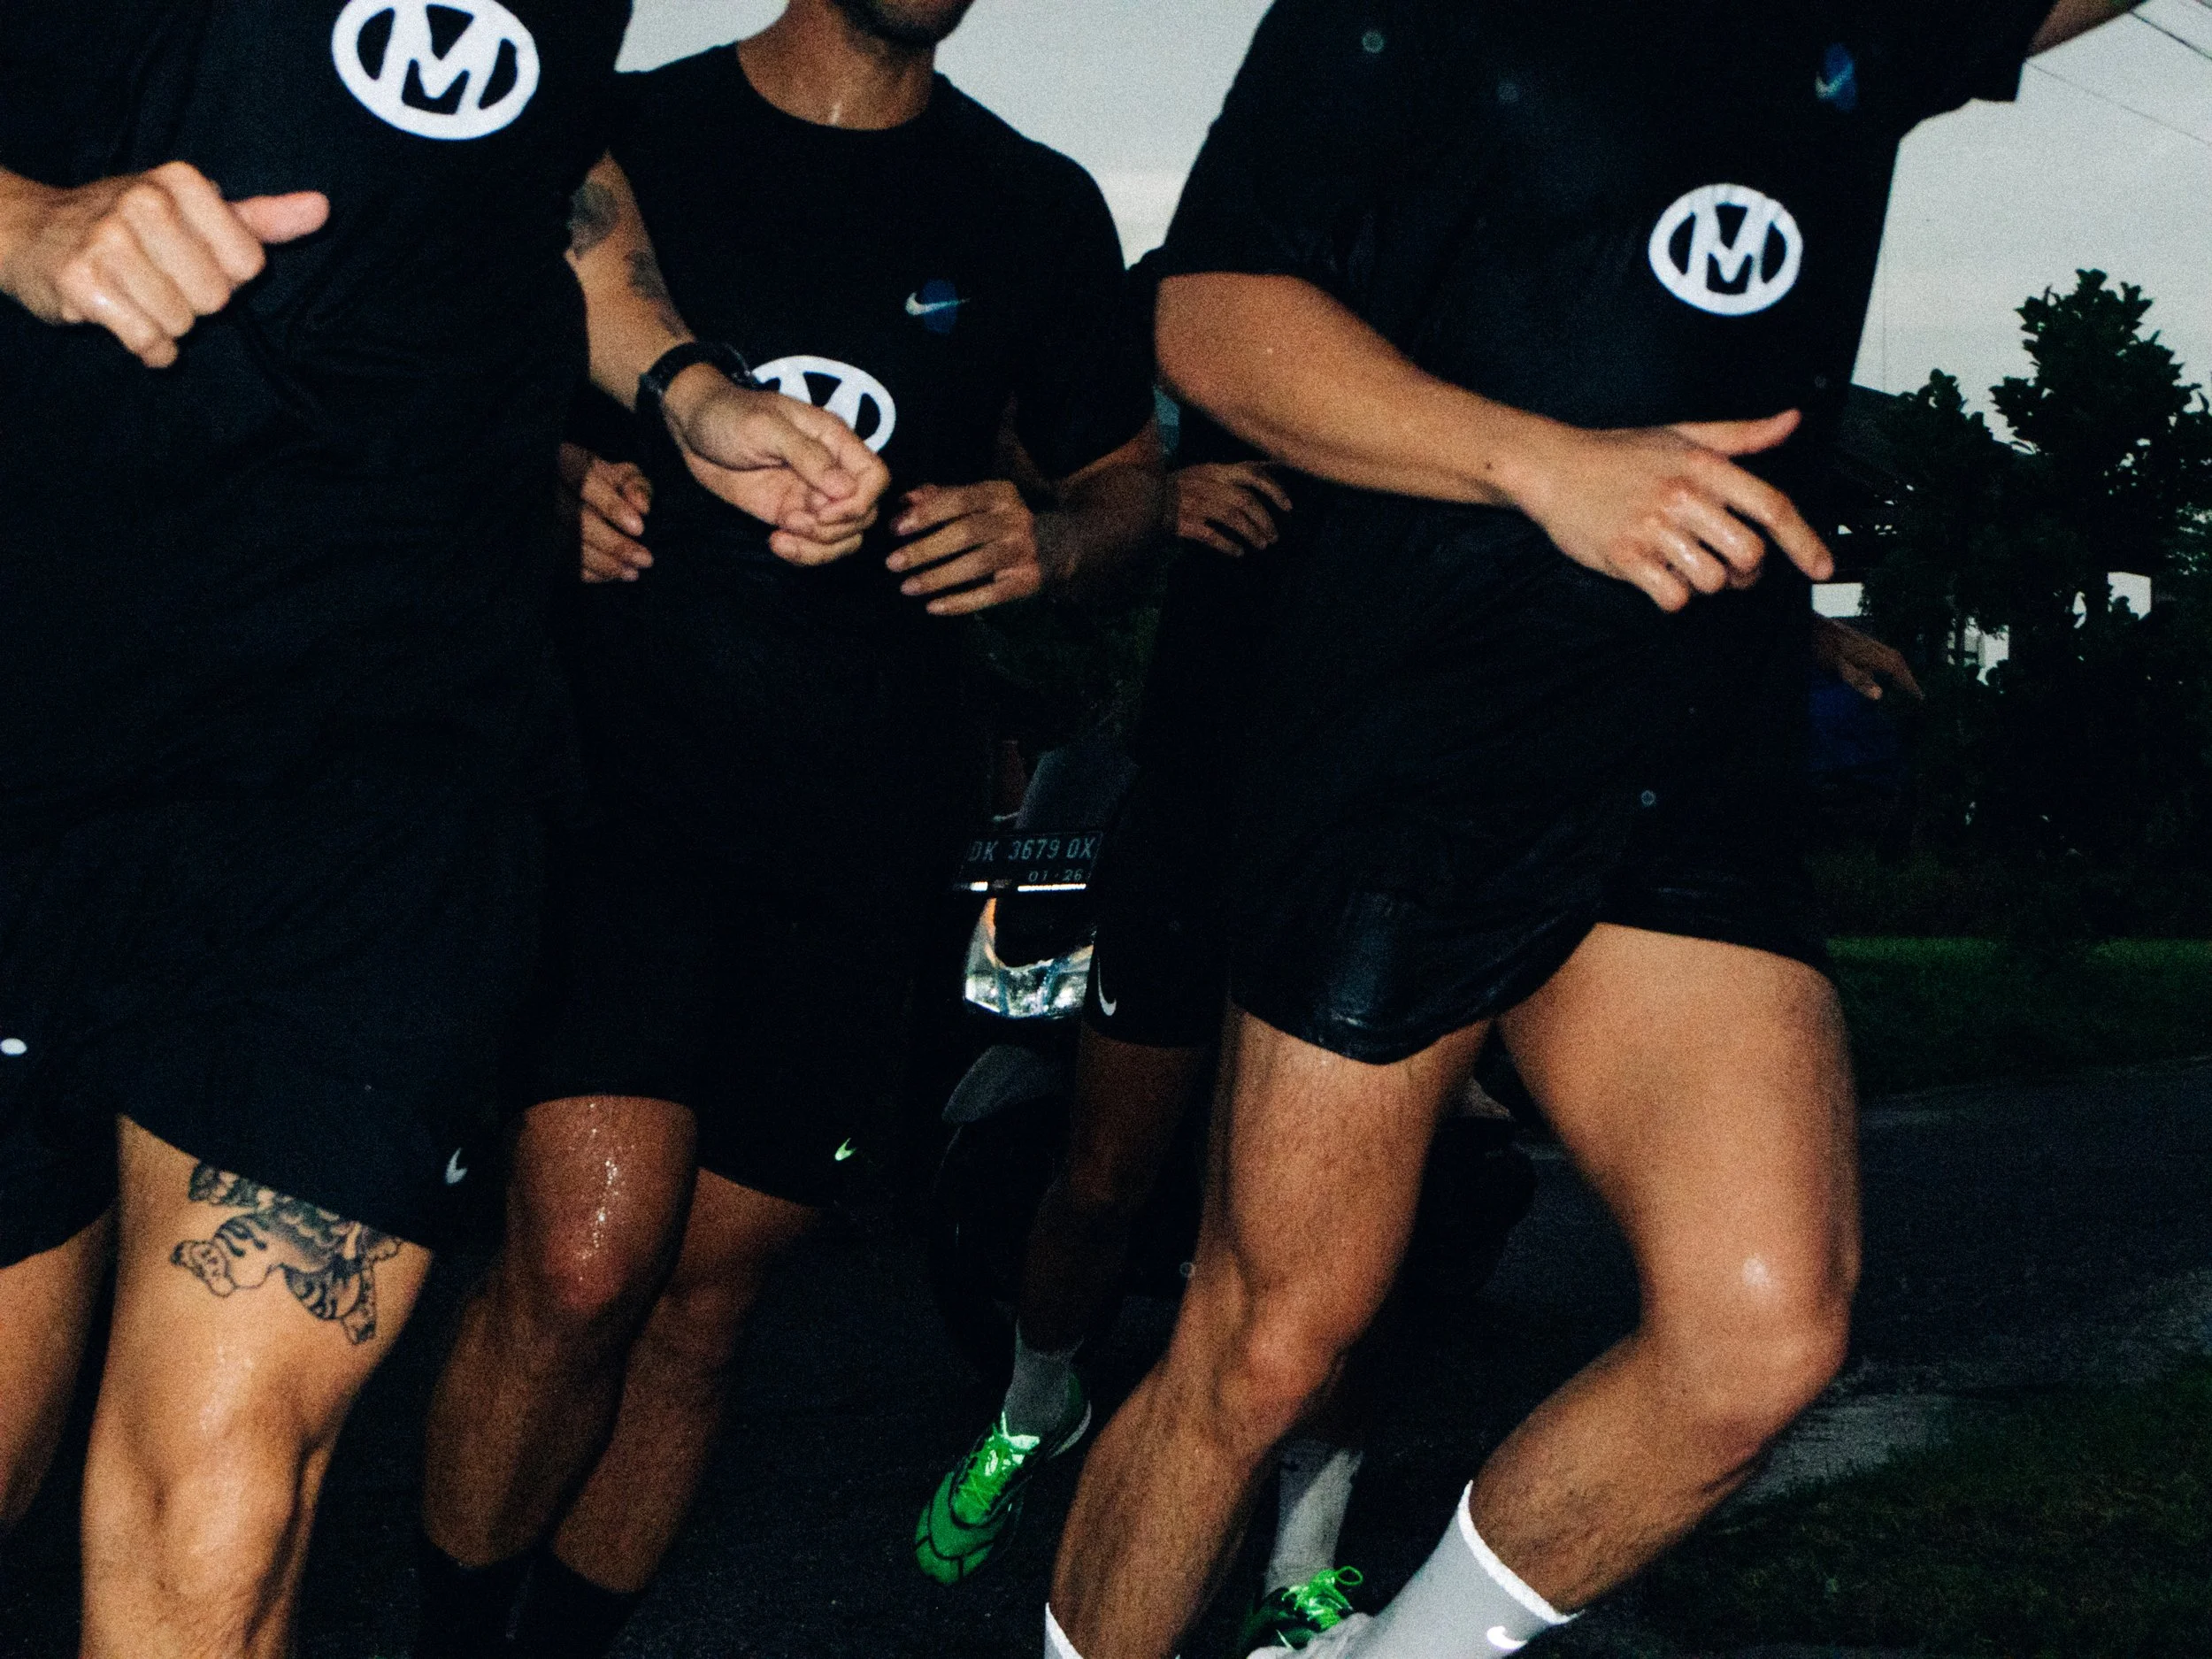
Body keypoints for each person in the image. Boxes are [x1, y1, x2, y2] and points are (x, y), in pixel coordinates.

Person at [1041, 4, 2139, 1657]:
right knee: (1269, 1341)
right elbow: (1212, 319)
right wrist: (1546, 467)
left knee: (1761, 1327)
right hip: (1419, 735)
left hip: (1686, 765)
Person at [0, 0, 885, 1647]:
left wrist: (687, 390)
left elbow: (536, 168)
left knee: (224, 1502)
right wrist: (28, 218)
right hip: (41, 707)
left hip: (386, 764)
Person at [923, 263, 1919, 1639]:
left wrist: (1792, 632)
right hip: (1209, 795)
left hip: (1407, 815)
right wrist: (1153, 507)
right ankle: (1038, 1403)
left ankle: (1303, 1561)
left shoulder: (1511, 292)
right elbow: (1043, 469)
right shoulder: (1213, 276)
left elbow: (1574, 522)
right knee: (1101, 1177)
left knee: (1340, 1258)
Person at [412, 3, 1163, 1653]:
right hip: (613, 791)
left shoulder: (1030, 205)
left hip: (862, 831)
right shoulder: (623, 136)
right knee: (587, 1263)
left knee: (698, 1311)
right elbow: (419, 360)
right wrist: (536, 479)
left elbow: (1129, 483)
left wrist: (1051, 532)